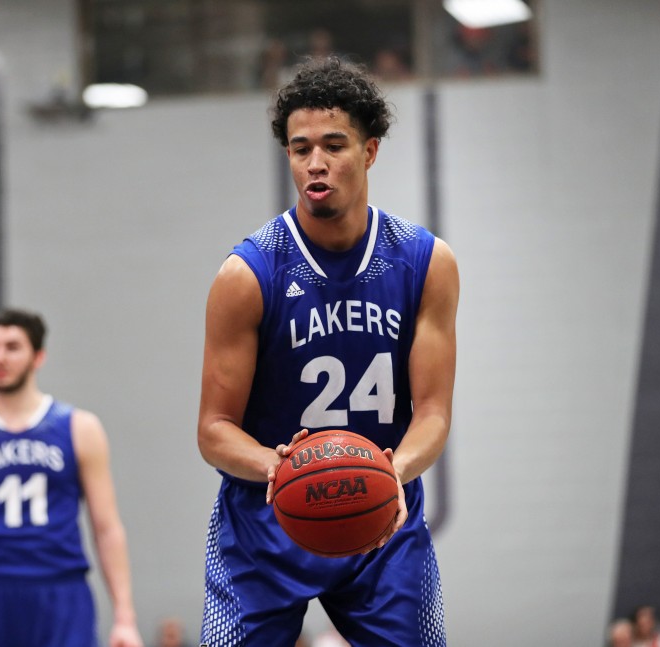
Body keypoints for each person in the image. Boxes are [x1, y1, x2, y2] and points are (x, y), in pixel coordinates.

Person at [197, 56, 459, 646]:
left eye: (334, 145)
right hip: (265, 523)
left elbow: (434, 413)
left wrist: (394, 470)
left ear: (370, 151)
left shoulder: (425, 263)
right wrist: (278, 465)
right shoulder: (247, 274)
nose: (315, 163)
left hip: (380, 515)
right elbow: (213, 429)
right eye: (299, 148)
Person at [0, 308, 144, 647]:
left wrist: (125, 617)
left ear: (38, 356)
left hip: (62, 591)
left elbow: (107, 528)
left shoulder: (80, 428)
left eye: (12, 346)